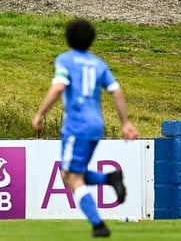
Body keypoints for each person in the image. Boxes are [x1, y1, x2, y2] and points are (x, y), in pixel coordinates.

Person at [32, 19, 138, 238]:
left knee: (71, 177)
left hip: (76, 126)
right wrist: (125, 123)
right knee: (70, 174)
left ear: (67, 38)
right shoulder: (98, 64)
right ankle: (109, 179)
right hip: (95, 125)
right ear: (91, 40)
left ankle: (98, 225)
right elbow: (116, 91)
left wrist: (40, 113)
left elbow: (59, 87)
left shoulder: (65, 60)